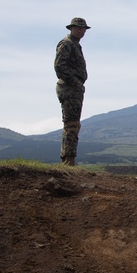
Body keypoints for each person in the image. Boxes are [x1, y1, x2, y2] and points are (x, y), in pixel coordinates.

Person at [55, 17, 90, 166]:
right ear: (71, 28)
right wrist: (75, 82)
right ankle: (68, 159)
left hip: (74, 89)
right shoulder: (67, 44)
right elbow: (59, 67)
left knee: (73, 123)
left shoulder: (75, 45)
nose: (81, 31)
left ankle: (68, 158)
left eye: (83, 29)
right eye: (78, 28)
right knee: (71, 124)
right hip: (69, 88)